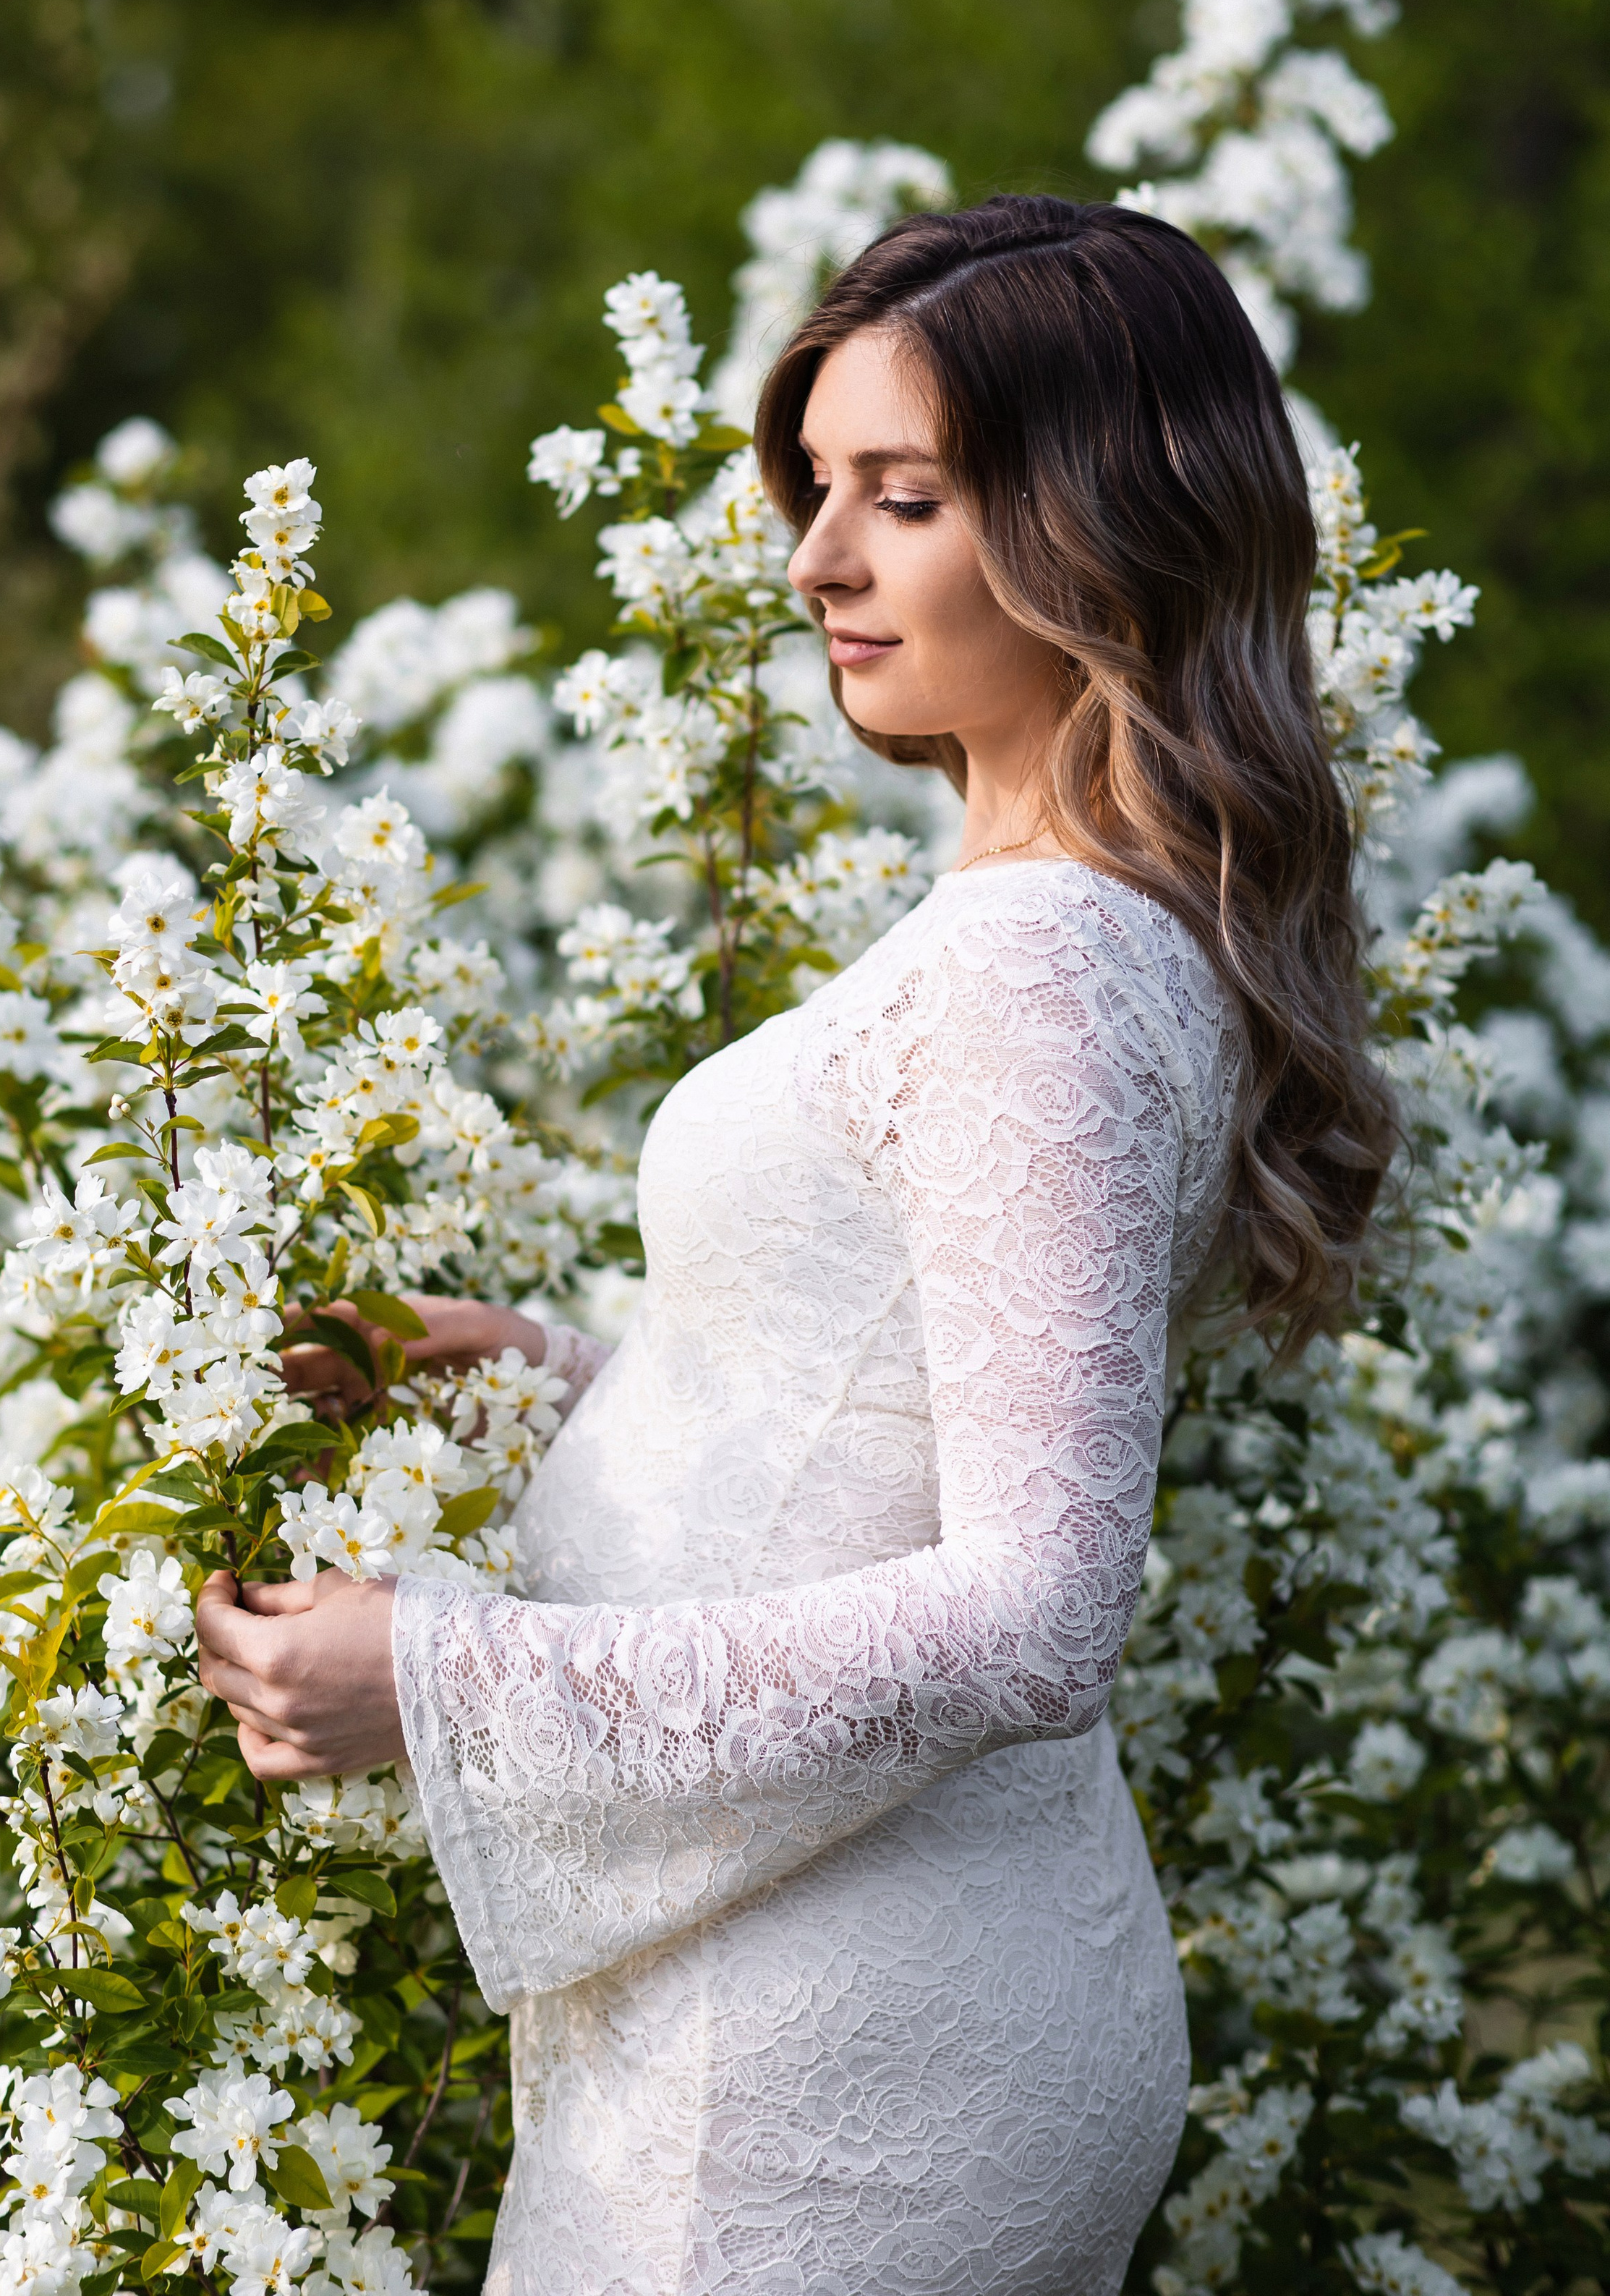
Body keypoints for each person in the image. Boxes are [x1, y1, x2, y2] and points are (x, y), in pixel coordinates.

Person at [196, 195, 1397, 2296]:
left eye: (903, 498)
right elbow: (892, 1388)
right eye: (817, 488)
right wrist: (546, 1373)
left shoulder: (1037, 968)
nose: (816, 561)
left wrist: (446, 1679)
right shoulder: (1065, 924)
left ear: (1110, 521)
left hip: (829, 2076)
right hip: (832, 1991)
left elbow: (1039, 1608)